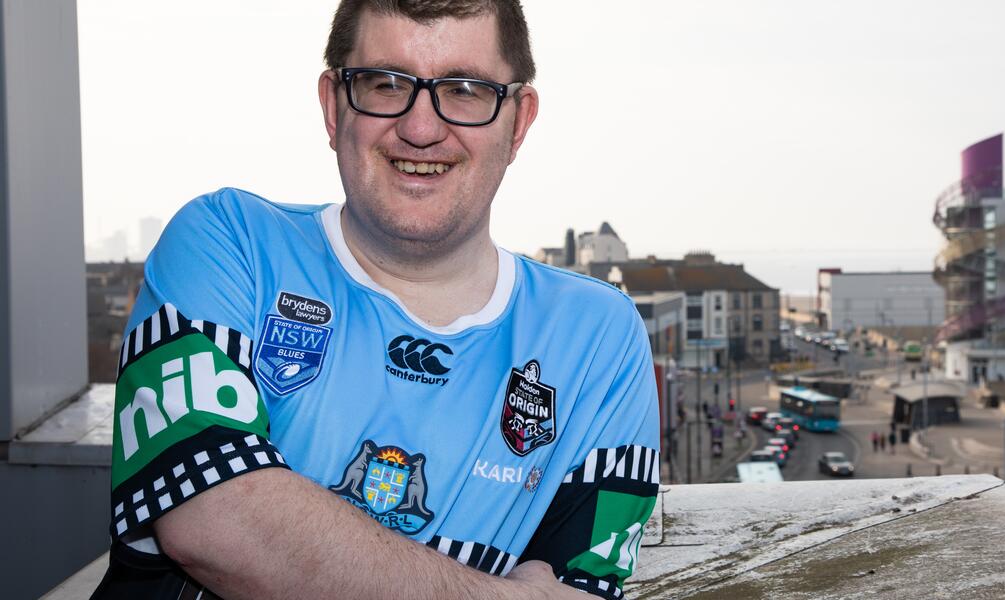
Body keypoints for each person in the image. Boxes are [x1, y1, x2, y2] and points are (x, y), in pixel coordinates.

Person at [92, 2, 658, 599]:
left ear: (518, 122)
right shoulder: (228, 242)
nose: (420, 128)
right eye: (385, 84)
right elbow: (213, 520)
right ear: (334, 106)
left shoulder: (598, 337)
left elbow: (580, 590)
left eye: (464, 89)